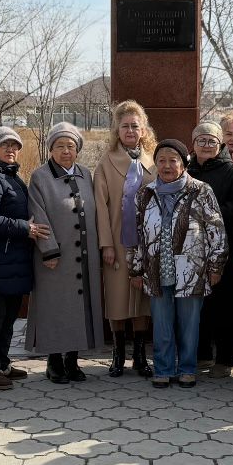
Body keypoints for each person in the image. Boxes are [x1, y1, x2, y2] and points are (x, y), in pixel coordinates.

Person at [130, 139, 228, 389]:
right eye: (161, 160)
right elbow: (139, 235)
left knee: (189, 325)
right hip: (156, 269)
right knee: (162, 325)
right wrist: (136, 268)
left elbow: (216, 231)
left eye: (172, 160)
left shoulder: (201, 190)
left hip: (192, 271)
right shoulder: (146, 193)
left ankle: (187, 369)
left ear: (184, 163)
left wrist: (216, 266)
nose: (166, 165)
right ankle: (163, 369)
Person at [27, 122, 106, 382]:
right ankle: (53, 362)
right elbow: (38, 215)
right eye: (59, 146)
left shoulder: (85, 173)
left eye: (70, 146)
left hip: (84, 256)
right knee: (56, 308)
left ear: (78, 150)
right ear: (51, 149)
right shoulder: (40, 177)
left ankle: (72, 361)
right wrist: (49, 250)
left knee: (79, 309)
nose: (65, 151)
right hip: (55, 257)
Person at [0, 127, 50, 390]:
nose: (11, 150)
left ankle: (2, 362)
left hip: (14, 260)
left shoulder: (10, 176)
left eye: (15, 146)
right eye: (5, 145)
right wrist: (24, 228)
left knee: (8, 316)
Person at [94, 100, 156, 377]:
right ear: (116, 130)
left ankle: (140, 356)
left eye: (135, 125)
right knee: (117, 299)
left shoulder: (154, 159)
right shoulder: (106, 162)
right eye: (125, 126)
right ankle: (118, 355)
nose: (130, 130)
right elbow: (100, 206)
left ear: (143, 129)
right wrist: (106, 243)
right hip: (118, 243)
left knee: (142, 299)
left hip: (147, 244)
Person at [188, 121, 233, 378]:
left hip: (224, 248)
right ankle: (201, 354)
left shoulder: (231, 172)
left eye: (211, 140)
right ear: (193, 144)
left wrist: (211, 216)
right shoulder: (187, 170)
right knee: (198, 303)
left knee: (226, 305)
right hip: (192, 249)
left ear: (220, 144)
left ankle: (225, 359)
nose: (206, 145)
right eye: (201, 140)